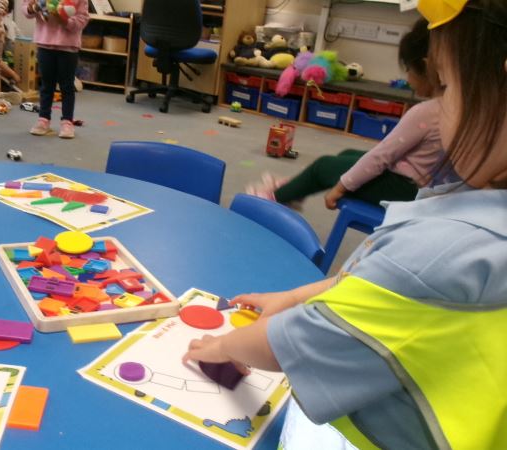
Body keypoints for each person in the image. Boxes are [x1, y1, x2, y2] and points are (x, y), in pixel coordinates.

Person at [184, 1, 507, 448]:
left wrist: (223, 347)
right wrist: (295, 296)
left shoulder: (442, 250)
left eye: (447, 85)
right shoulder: (480, 216)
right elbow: (376, 285)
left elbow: (295, 343)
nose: (438, 102)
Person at [247, 19, 443, 210]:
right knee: (347, 155)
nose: (408, 78)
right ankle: (295, 191)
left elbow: (381, 157)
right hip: (422, 186)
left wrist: (341, 187)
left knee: (323, 167)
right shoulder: (449, 107)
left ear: (426, 67)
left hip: (407, 190)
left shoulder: (425, 113)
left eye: (408, 69)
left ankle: (275, 198)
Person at [23, 0, 89, 139]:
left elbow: (82, 20)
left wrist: (64, 21)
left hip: (68, 46)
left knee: (67, 86)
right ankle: (43, 119)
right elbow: (26, 9)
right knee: (46, 85)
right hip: (45, 44)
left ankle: (67, 122)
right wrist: (31, 8)